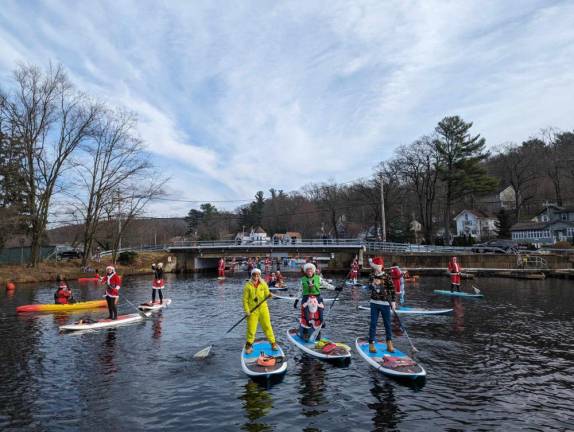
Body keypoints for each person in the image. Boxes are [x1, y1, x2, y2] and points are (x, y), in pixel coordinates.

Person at [243, 268, 277, 354]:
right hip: (252, 311)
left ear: (259, 275)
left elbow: (267, 294)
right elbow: (245, 300)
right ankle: (249, 346)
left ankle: (273, 343)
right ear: (252, 275)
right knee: (251, 329)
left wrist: (269, 295)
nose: (256, 276)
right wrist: (247, 310)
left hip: (263, 309)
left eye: (257, 274)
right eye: (254, 274)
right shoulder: (247, 286)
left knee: (267, 326)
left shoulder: (263, 284)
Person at [367, 266, 396, 353]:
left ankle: (389, 343)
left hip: (385, 304)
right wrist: (372, 284)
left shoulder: (387, 276)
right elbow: (369, 287)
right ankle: (371, 343)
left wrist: (393, 302)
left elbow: (392, 289)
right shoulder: (371, 275)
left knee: (387, 324)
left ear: (381, 266)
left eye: (378, 266)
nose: (376, 269)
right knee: (373, 323)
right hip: (374, 303)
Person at [299, 263, 325, 331]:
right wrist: (296, 300)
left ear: (313, 271)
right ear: (305, 272)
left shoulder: (318, 278)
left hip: (317, 296)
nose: (309, 272)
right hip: (306, 297)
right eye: (308, 271)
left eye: (310, 271)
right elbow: (300, 290)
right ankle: (306, 324)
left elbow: (326, 284)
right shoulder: (303, 279)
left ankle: (322, 321)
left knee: (320, 309)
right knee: (305, 309)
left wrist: (335, 288)